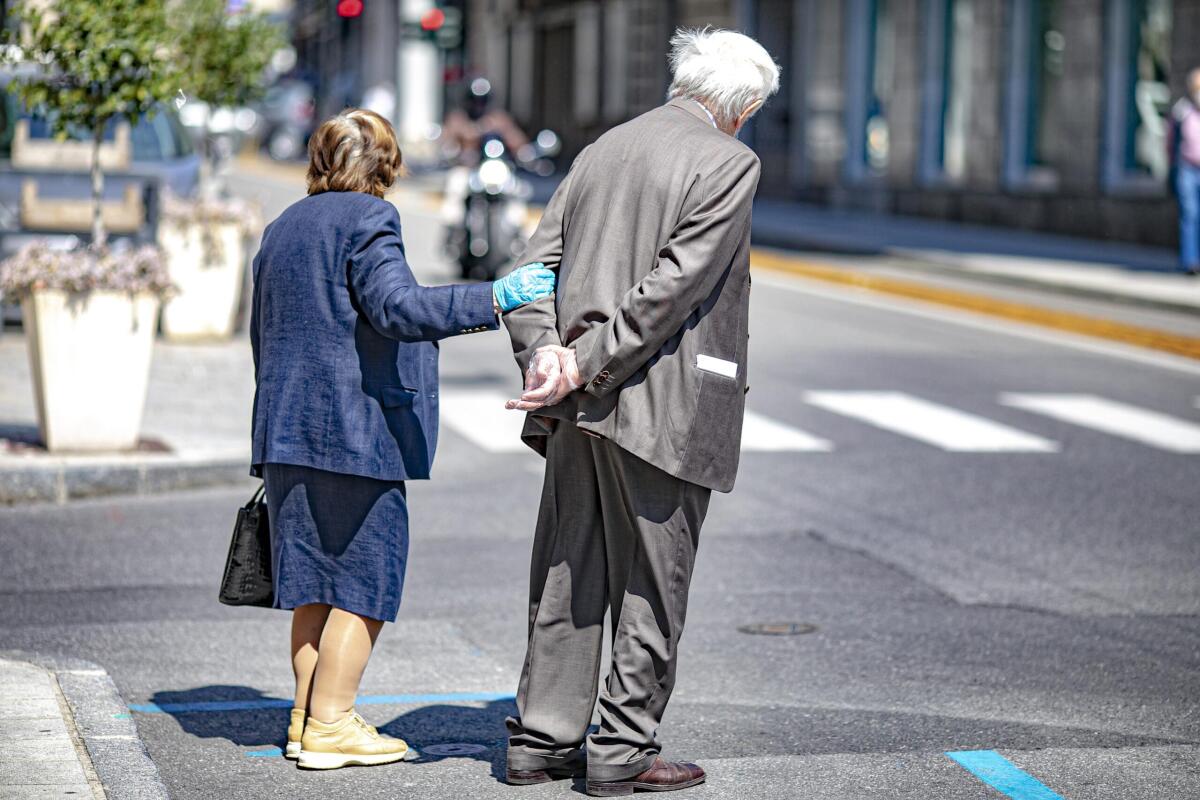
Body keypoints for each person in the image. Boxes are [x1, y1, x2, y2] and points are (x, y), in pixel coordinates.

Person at [498, 28, 779, 796]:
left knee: (567, 570)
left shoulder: (603, 148)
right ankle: (621, 750)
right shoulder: (729, 161)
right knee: (654, 585)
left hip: (575, 406)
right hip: (665, 405)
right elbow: (674, 288)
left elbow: (525, 273)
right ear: (743, 106)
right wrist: (580, 363)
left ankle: (541, 741)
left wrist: (545, 355)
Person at [248, 108, 555, 771]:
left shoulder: (282, 227)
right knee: (366, 583)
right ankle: (331, 725)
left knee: (313, 586)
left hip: (284, 429)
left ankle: (308, 719)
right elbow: (400, 310)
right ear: (384, 164)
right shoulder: (369, 219)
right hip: (352, 433)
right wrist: (497, 298)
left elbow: (264, 333)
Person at [1169, 67, 1200, 276]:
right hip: (1186, 168)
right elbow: (1170, 140)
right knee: (1189, 214)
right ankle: (1190, 262)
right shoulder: (1182, 111)